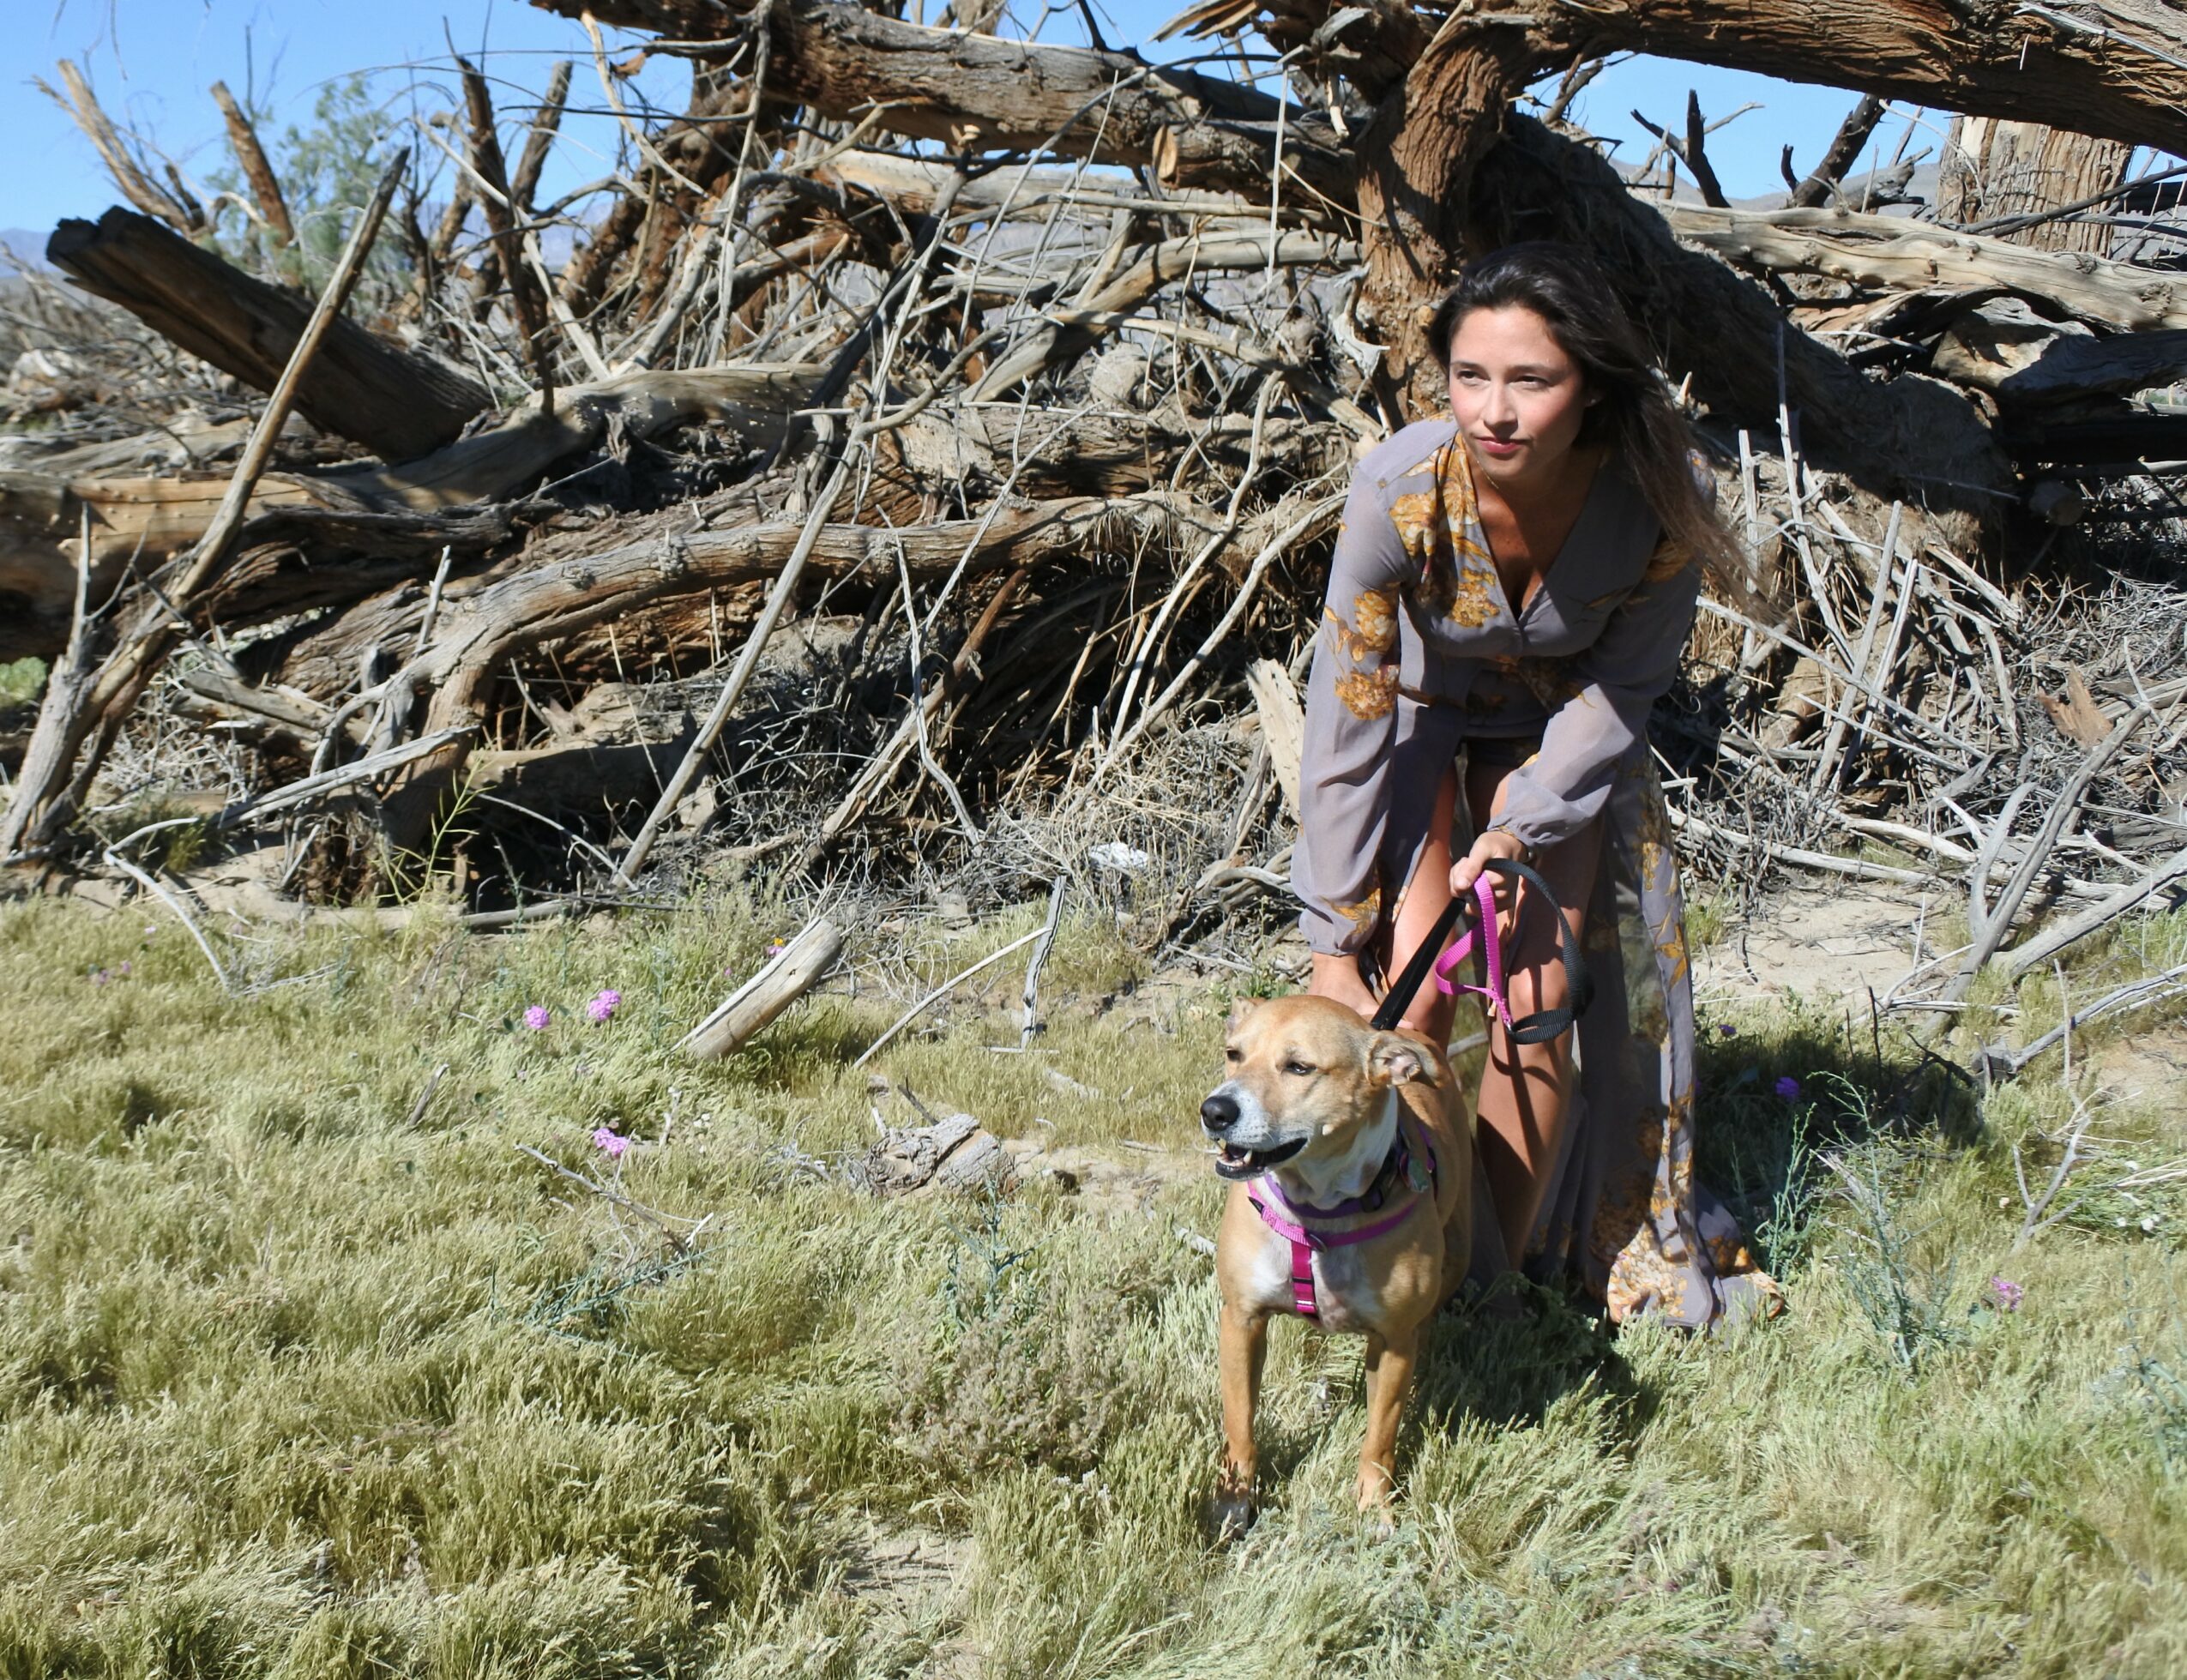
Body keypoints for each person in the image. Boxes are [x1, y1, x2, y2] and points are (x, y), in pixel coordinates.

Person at [1293, 243, 1780, 1329]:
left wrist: (1521, 826)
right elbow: (1351, 706)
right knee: (1399, 998)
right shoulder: (1399, 488)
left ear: (1592, 387)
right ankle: (1372, 1248)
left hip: (1559, 738)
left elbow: (1626, 686)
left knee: (1533, 1000)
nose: (1494, 411)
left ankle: (1491, 1284)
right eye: (1472, 377)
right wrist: (1333, 938)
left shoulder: (1663, 491)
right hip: (1408, 730)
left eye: (1532, 381)